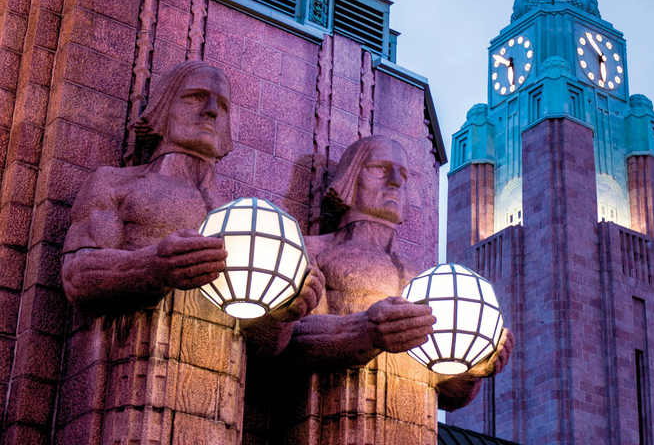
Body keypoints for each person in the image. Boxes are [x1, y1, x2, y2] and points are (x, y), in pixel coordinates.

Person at [61, 60, 323, 443]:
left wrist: (286, 308)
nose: (212, 111)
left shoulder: (250, 226)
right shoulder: (116, 184)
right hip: (131, 383)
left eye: (223, 105)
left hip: (221, 405)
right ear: (164, 108)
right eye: (196, 97)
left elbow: (265, 346)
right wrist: (152, 266)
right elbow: (76, 275)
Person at [271, 135, 513, 444]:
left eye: (404, 174)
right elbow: (287, 342)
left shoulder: (428, 281)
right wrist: (365, 331)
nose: (396, 181)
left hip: (414, 430)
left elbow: (446, 391)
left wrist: (475, 364)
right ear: (349, 178)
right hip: (332, 426)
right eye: (379, 169)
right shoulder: (310, 251)